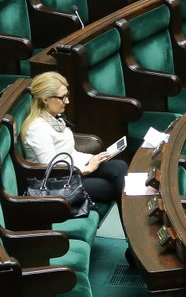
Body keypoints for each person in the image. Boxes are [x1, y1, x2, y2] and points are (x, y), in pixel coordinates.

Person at [20, 72, 128, 205]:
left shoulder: (54, 117)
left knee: (119, 166)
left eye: (67, 95)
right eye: (62, 97)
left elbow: (70, 153)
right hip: (57, 183)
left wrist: (92, 158)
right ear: (45, 99)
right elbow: (51, 168)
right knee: (114, 187)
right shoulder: (37, 129)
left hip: (71, 170)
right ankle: (133, 221)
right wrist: (86, 169)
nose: (67, 101)